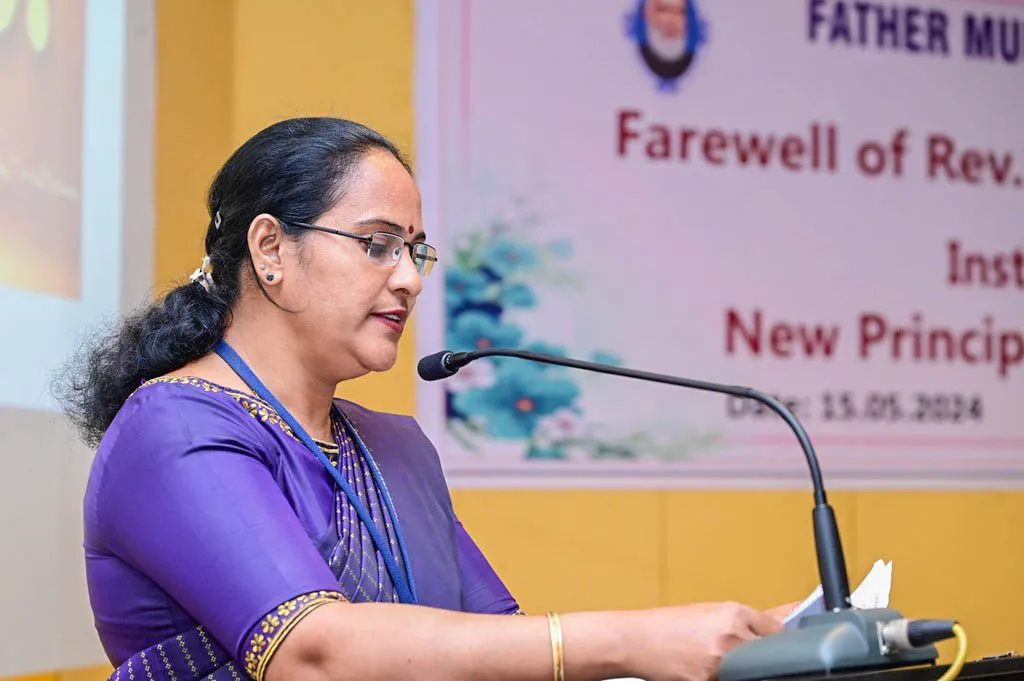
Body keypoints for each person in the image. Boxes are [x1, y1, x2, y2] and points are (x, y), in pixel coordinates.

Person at [56, 117, 794, 681]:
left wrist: (747, 649)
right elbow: (312, 653)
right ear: (271, 249)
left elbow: (506, 647)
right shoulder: (173, 427)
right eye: (378, 244)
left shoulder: (395, 447)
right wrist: (635, 639)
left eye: (415, 251)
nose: (410, 278)